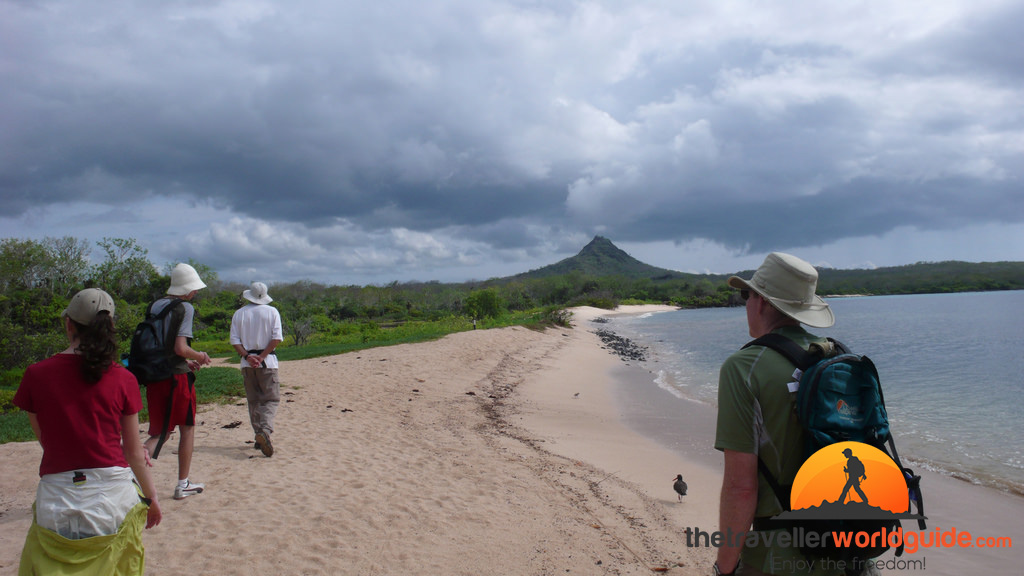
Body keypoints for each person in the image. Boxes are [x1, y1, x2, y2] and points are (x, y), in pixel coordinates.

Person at [713, 252, 855, 576]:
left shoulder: (744, 368)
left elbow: (740, 488)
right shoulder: (838, 358)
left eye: (745, 294)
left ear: (760, 302)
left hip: (782, 557)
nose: (745, 303)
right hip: (851, 550)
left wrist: (724, 569)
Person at [14, 288, 161, 574]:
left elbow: (48, 441)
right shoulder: (123, 377)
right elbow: (132, 452)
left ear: (68, 323)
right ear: (110, 326)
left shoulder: (36, 374)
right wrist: (151, 498)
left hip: (56, 496)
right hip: (112, 497)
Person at [142, 263, 212, 500]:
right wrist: (200, 356)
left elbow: (163, 344)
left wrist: (185, 361)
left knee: (161, 429)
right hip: (175, 378)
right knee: (184, 428)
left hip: (155, 375)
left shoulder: (155, 305)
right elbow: (180, 347)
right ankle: (182, 483)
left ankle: (129, 469)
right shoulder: (185, 307)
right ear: (189, 289)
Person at [229, 281, 283, 457]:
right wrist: (262, 356)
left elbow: (235, 341)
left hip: (247, 364)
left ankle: (258, 435)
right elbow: (276, 339)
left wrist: (247, 356)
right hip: (268, 362)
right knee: (271, 399)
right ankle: (265, 431)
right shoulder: (272, 312)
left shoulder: (239, 314)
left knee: (253, 401)